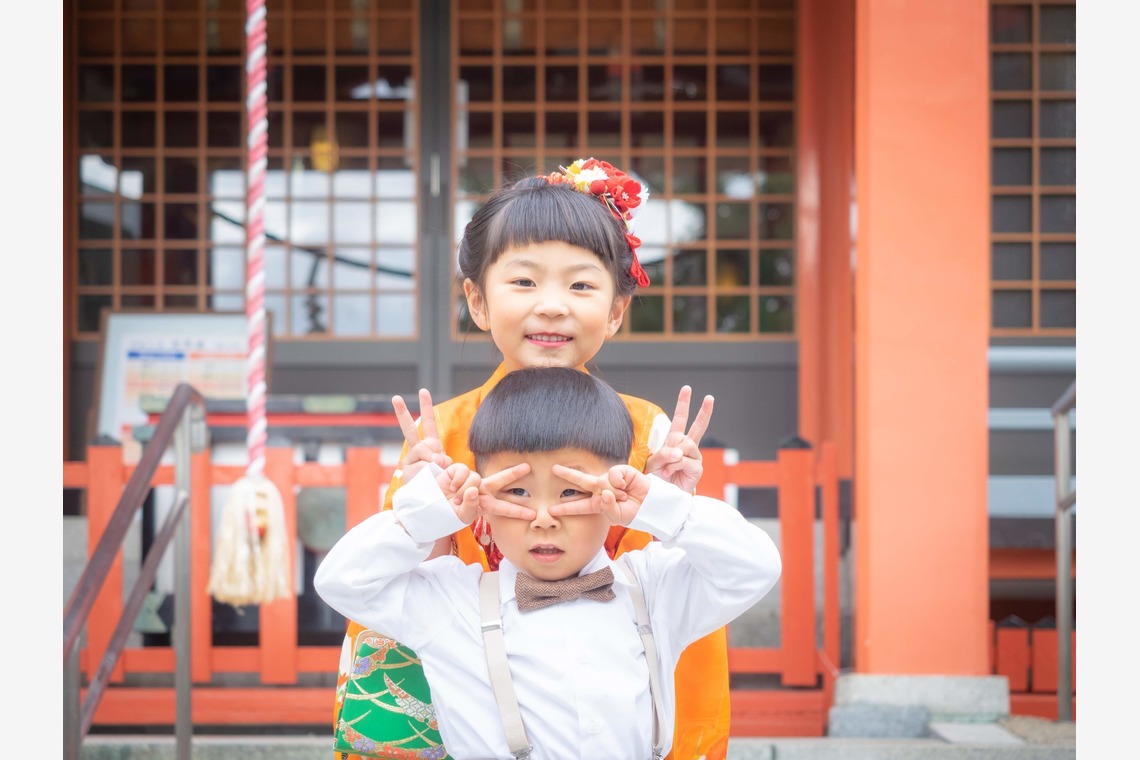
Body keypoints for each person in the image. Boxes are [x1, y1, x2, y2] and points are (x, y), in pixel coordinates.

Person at [331, 158, 730, 760]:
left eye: (581, 285)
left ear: (617, 310)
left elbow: (678, 598)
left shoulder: (648, 431)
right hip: (471, 692)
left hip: (601, 691)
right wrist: (423, 516)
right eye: (523, 282)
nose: (551, 306)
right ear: (478, 300)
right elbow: (387, 590)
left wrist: (668, 504)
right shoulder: (442, 432)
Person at [315, 367, 781, 760]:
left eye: (571, 493)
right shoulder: (451, 600)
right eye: (516, 492)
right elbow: (341, 582)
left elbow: (755, 567)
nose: (543, 518)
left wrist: (665, 506)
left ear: (616, 492)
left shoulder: (654, 591)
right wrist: (424, 513)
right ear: (481, 497)